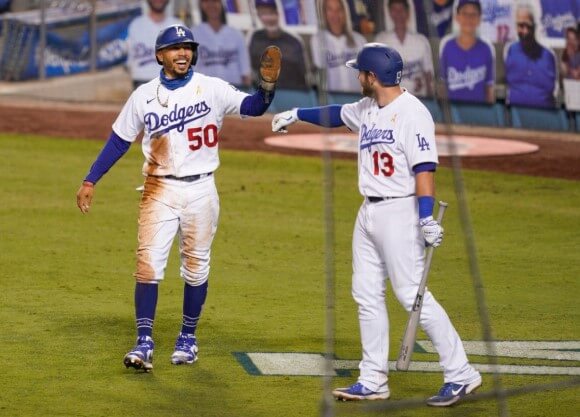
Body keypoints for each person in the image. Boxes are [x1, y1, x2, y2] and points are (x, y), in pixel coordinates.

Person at [271, 42, 482, 407]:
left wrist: (426, 217)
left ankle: (461, 373)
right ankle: (372, 380)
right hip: (368, 211)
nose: (356, 77)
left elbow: (424, 168)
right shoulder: (369, 107)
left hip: (400, 213)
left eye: (360, 72)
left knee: (412, 295)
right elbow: (337, 113)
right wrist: (296, 113)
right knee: (366, 294)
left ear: (372, 76)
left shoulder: (413, 113)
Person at [76, 24, 280, 371]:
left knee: (196, 268)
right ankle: (144, 343)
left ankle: (188, 338)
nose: (183, 53)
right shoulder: (143, 95)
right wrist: (91, 179)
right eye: (175, 48)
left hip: (202, 190)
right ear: (160, 55)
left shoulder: (211, 88)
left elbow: (255, 106)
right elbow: (118, 141)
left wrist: (268, 86)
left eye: (187, 47)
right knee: (148, 266)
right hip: (159, 189)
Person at [439, 0, 495, 103]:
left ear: (479, 19)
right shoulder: (447, 46)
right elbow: (443, 86)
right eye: (464, 13)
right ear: (457, 17)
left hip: (479, 111)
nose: (469, 18)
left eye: (473, 14)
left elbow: (489, 89)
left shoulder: (486, 48)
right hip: (453, 113)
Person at [375, 0, 434, 97]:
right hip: (391, 102)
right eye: (394, 9)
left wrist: (430, 99)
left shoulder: (421, 41)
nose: (398, 14)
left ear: (408, 12)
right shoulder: (381, 40)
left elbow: (428, 75)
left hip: (418, 101)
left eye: (401, 9)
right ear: (389, 12)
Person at [504, 3, 558, 108]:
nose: (525, 31)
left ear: (535, 26)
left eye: (529, 26)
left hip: (545, 117)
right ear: (515, 26)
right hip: (515, 117)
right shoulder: (509, 51)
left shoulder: (549, 56)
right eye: (521, 25)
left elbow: (555, 92)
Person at [248, 0, 310, 90]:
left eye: (272, 12)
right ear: (258, 16)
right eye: (263, 13)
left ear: (278, 13)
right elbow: (250, 74)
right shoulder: (254, 38)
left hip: (293, 95)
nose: (269, 18)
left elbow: (305, 77)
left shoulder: (294, 41)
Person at [310, 0, 367, 93]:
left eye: (339, 9)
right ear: (324, 13)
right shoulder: (317, 40)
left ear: (345, 12)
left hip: (357, 101)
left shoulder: (360, 40)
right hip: (332, 102)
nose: (335, 14)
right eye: (330, 9)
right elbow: (319, 79)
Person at [191, 0, 251, 87]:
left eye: (215, 1)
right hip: (205, 91)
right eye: (206, 1)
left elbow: (245, 74)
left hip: (234, 91)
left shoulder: (236, 34)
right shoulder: (194, 34)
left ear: (222, 4)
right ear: (201, 5)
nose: (211, 5)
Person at [126, 0, 184, 89]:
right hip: (142, 83)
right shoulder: (135, 25)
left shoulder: (178, 25)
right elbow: (129, 62)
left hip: (171, 83)